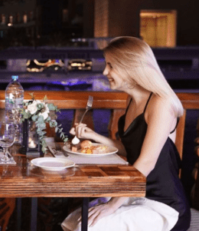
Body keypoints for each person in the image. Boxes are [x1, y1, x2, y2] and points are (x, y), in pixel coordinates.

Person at [62, 37, 190, 231]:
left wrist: (113, 205)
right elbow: (130, 147)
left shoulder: (161, 103)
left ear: (130, 67)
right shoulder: (132, 101)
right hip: (136, 195)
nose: (105, 72)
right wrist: (94, 136)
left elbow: (146, 161)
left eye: (111, 65)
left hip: (163, 205)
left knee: (87, 226)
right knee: (74, 221)